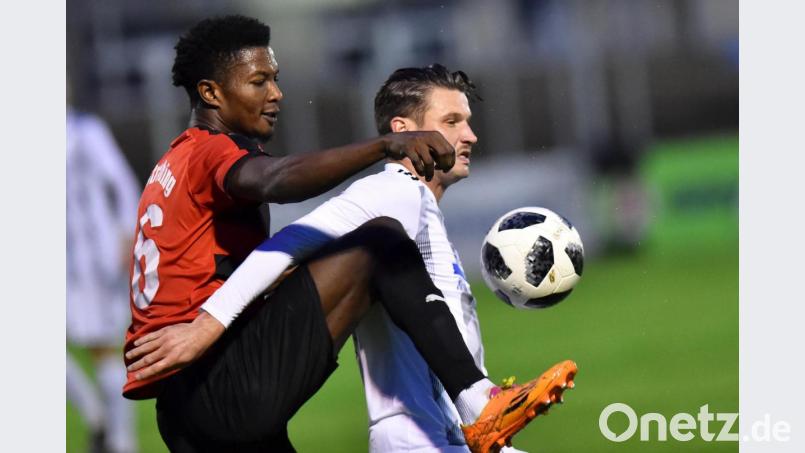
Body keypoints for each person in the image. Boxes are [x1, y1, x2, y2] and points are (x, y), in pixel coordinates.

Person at [124, 16, 577, 453]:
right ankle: (479, 402)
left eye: (275, 79)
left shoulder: (175, 162)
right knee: (379, 243)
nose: (277, 93)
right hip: (216, 383)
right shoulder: (211, 153)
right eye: (259, 81)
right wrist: (384, 146)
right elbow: (276, 181)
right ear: (211, 93)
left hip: (188, 406)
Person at [67, 105, 140, 453]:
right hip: (63, 264)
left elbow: (121, 183)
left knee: (103, 349)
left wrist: (128, 233)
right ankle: (96, 417)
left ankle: (120, 441)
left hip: (95, 260)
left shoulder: (86, 132)